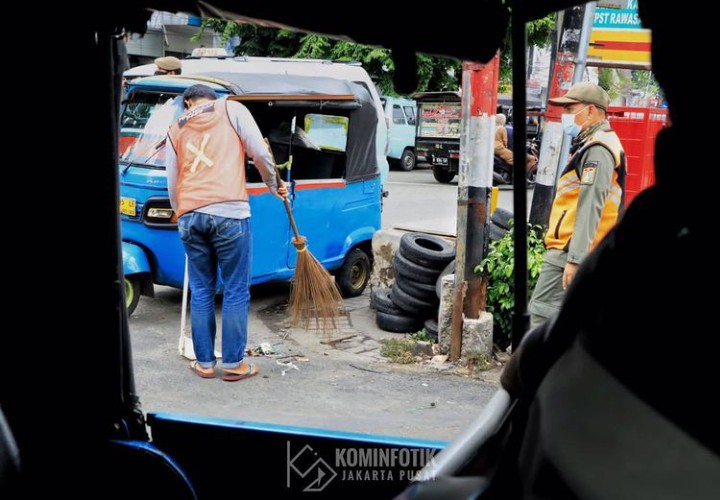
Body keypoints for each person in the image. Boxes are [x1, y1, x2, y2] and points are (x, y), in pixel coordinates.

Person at [165, 84, 288, 381]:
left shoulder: (174, 128)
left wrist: (180, 210)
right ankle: (234, 364)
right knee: (234, 289)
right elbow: (259, 151)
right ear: (212, 98)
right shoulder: (232, 109)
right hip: (230, 213)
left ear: (187, 103)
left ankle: (205, 363)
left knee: (202, 289)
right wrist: (273, 185)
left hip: (190, 216)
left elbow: (172, 179)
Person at [527, 81, 626, 328]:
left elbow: (591, 205)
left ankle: (538, 367)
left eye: (570, 109)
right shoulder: (594, 144)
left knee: (541, 316)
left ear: (591, 111)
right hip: (579, 251)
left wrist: (576, 259)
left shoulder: (599, 149)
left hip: (569, 251)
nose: (565, 116)